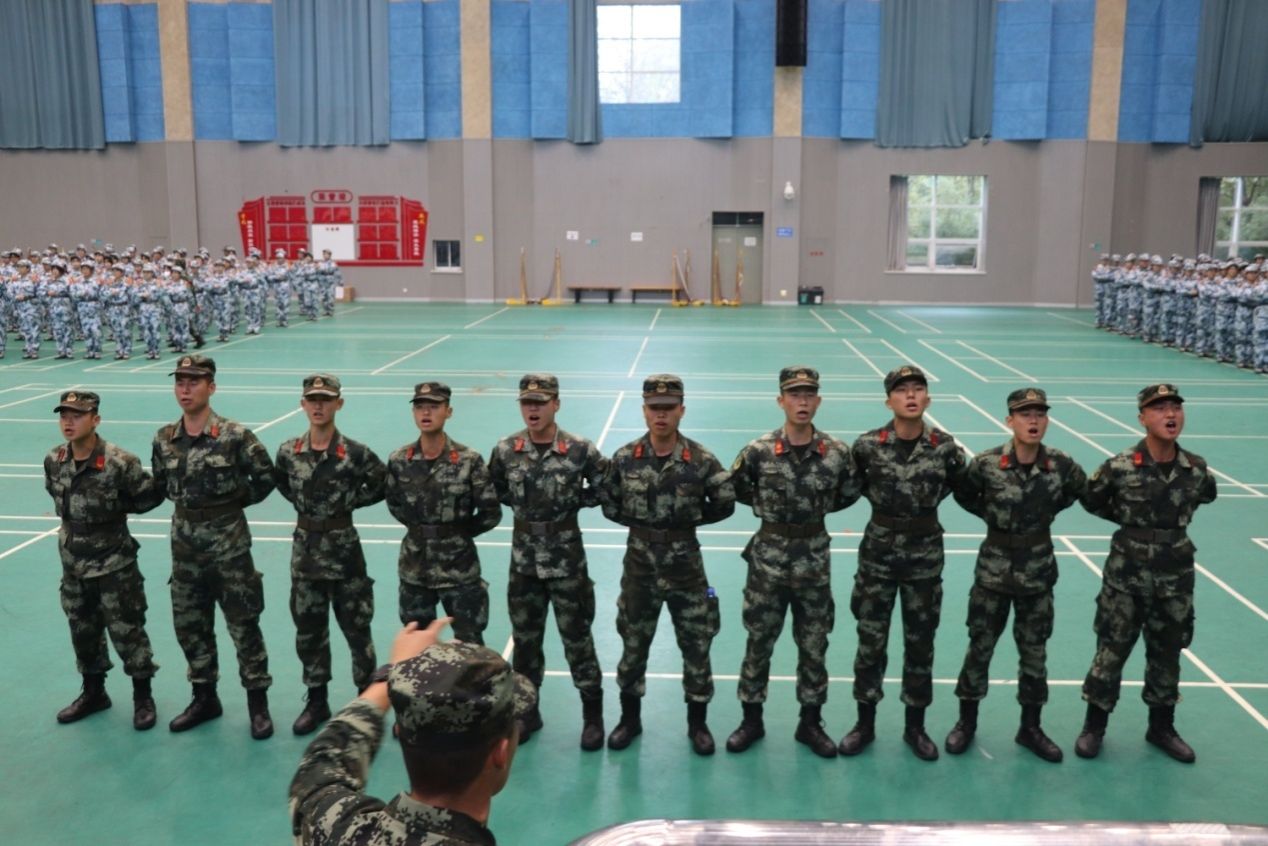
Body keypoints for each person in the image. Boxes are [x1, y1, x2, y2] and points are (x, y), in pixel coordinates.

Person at [289, 618, 534, 846]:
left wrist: (393, 672)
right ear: (500, 753)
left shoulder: (333, 827)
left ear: (400, 729)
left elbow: (316, 772)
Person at [1075, 384, 1216, 763]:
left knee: (1168, 652)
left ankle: (1161, 728)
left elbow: (1206, 495)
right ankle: (1094, 726)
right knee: (1111, 650)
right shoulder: (1120, 466)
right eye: (1159, 409)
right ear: (1142, 418)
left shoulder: (1196, 468)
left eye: (1175, 408)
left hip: (1175, 577)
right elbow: (1092, 499)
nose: (1170, 415)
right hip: (1126, 577)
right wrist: (1131, 523)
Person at [725, 366, 861, 758]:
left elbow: (849, 491)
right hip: (767, 561)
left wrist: (812, 513)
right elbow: (738, 487)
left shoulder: (837, 453)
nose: (802, 402)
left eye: (809, 395)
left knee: (814, 644)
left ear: (818, 401)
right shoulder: (758, 451)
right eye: (794, 395)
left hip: (813, 561)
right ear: (780, 401)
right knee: (759, 640)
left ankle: (810, 723)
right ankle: (751, 720)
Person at [946, 388, 1086, 762]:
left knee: (1034, 652)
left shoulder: (1062, 465)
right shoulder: (987, 463)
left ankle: (1031, 728)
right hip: (993, 572)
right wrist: (995, 517)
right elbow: (966, 495)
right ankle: (965, 723)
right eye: (1025, 414)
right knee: (979, 648)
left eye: (1040, 414)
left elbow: (1076, 493)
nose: (1033, 420)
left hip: (1038, 572)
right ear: (1010, 421)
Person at [601, 374, 736, 755]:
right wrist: (645, 528)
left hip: (686, 569)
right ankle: (629, 719)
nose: (661, 415)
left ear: (682, 410)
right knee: (633, 643)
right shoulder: (625, 458)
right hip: (639, 569)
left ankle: (698, 724)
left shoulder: (701, 460)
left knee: (697, 644)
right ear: (644, 411)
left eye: (669, 408)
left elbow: (724, 502)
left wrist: (684, 525)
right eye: (654, 408)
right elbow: (610, 502)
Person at [842, 365, 965, 761]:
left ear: (928, 398)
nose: (910, 395)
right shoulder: (867, 446)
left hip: (924, 557)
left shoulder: (945, 448)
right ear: (888, 401)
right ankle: (864, 724)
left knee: (920, 643)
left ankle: (916, 727)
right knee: (870, 642)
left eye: (917, 389)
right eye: (901, 390)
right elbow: (850, 487)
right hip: (878, 555)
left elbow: (961, 486)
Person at [151, 354, 278, 738]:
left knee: (243, 624)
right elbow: (162, 483)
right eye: (180, 381)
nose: (185, 389)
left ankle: (258, 703)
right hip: (185, 550)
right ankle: (205, 697)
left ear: (212, 387)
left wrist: (231, 505)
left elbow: (265, 478)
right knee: (191, 625)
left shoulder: (235, 436)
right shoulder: (164, 438)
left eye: (194, 381)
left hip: (229, 548)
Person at [488, 374, 608, 749]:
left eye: (540, 402)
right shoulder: (506, 449)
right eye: (527, 402)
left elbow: (605, 486)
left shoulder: (579, 449)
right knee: (525, 643)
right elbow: (497, 488)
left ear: (556, 404)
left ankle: (592, 716)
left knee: (578, 639)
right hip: (524, 564)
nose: (533, 409)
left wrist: (571, 504)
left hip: (567, 562)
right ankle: (527, 713)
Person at [45, 390, 165, 730]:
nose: (68, 422)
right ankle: (94, 692)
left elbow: (147, 497)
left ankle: (143, 696)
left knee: (128, 630)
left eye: (77, 415)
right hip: (73, 563)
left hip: (114, 563)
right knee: (82, 630)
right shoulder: (54, 459)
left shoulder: (119, 462)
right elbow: (57, 497)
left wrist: (112, 514)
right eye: (64, 415)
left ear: (95, 420)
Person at [274, 374, 387, 735]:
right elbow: (283, 484)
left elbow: (382, 483)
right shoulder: (289, 452)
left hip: (345, 555)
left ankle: (366, 702)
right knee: (309, 630)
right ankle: (316, 700)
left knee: (357, 629)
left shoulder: (356, 453)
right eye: (312, 399)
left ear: (339, 403)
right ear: (303, 404)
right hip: (305, 554)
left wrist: (349, 502)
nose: (318, 406)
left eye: (325, 399)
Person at [385, 382, 503, 645]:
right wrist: (421, 530)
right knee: (416, 644)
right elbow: (394, 503)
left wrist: (456, 534)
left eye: (434, 406)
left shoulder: (469, 460)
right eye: (420, 407)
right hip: (415, 568)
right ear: (414, 413)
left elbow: (490, 512)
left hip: (460, 569)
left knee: (469, 645)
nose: (426, 412)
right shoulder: (400, 460)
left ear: (448, 411)